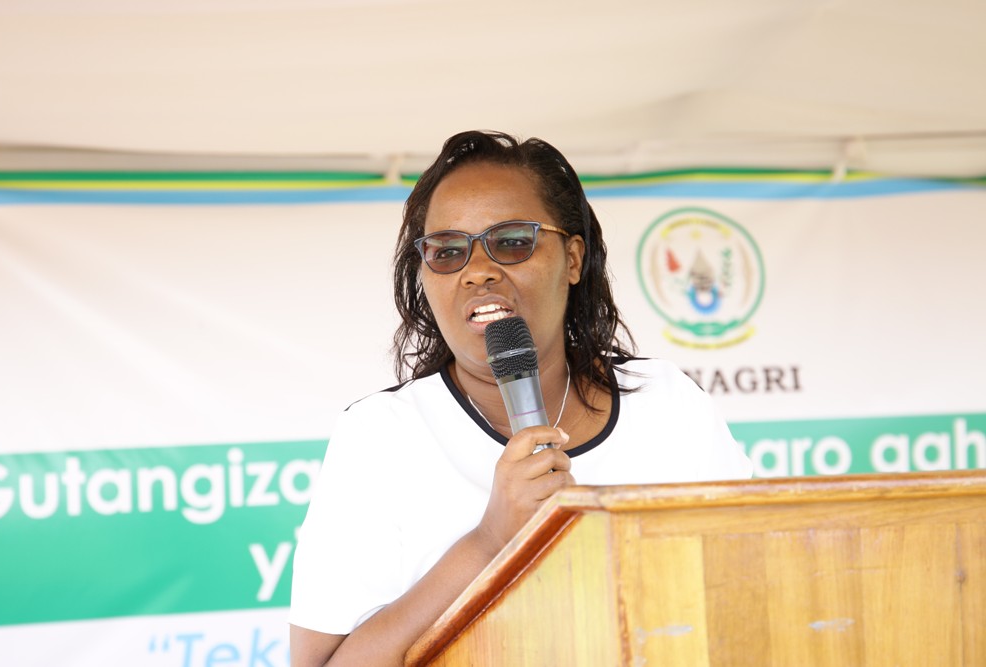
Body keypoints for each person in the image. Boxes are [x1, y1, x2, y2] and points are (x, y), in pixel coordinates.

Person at [288, 130, 752, 666]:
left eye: (511, 241)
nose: (477, 271)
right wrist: (488, 542)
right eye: (447, 251)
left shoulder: (668, 404)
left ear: (572, 259)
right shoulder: (381, 436)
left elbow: (750, 593)